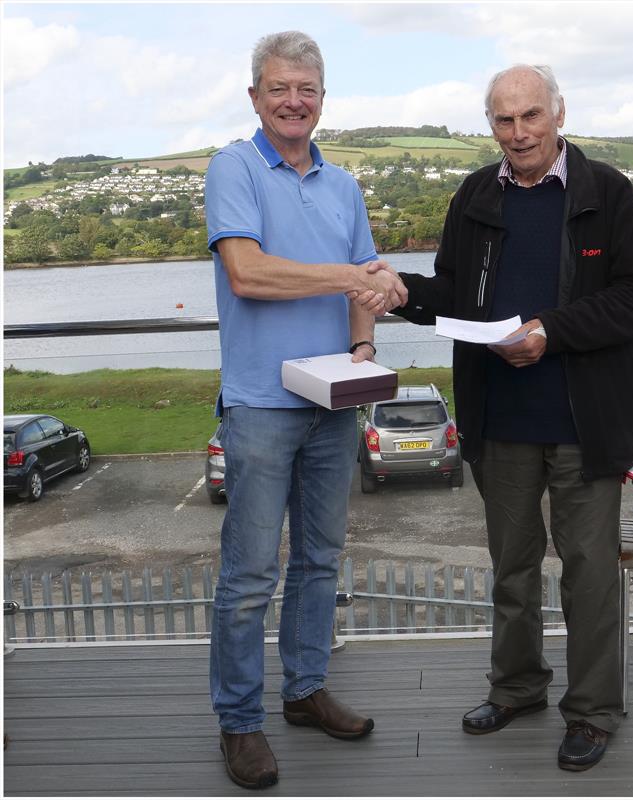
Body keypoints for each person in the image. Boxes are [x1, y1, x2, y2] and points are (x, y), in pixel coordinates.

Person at [382, 64, 633, 771]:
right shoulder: (476, 193)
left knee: (590, 575)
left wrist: (551, 331)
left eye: (531, 117)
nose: (519, 133)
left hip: (586, 424)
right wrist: (403, 292)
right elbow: (455, 291)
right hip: (500, 421)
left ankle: (594, 712)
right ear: (492, 127)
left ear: (558, 114)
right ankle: (515, 689)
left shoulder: (607, 192)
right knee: (511, 570)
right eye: (504, 121)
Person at [204, 30, 407, 790]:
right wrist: (346, 276)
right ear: (256, 96)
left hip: (334, 403)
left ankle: (304, 690)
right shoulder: (233, 167)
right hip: (260, 405)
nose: (295, 101)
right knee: (250, 575)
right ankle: (238, 722)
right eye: (281, 88)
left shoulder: (343, 185)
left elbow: (366, 291)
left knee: (320, 561)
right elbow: (248, 273)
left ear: (324, 100)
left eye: (308, 90)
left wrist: (361, 352)